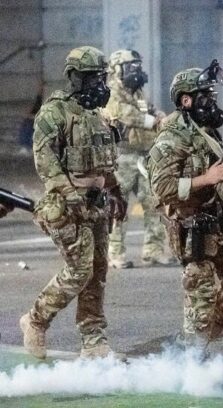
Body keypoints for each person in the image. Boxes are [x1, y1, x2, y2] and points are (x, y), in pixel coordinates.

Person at [20, 46, 127, 359]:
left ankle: (93, 341)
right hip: (67, 207)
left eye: (101, 77)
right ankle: (35, 320)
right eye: (91, 77)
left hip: (97, 206)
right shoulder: (54, 113)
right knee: (79, 270)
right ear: (75, 77)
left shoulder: (96, 116)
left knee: (97, 272)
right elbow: (46, 163)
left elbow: (103, 163)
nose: (98, 84)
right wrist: (71, 197)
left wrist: (116, 191)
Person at [146, 61, 223, 345]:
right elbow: (161, 187)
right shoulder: (172, 138)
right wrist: (205, 179)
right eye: (205, 96)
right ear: (186, 100)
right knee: (201, 299)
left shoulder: (206, 132)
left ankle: (198, 342)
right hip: (193, 229)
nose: (212, 102)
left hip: (220, 223)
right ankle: (194, 354)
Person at [104, 49, 173, 269]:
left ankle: (154, 251)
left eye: (137, 66)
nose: (136, 71)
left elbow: (148, 110)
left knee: (154, 202)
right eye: (130, 67)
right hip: (122, 157)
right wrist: (154, 122)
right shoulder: (111, 93)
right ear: (117, 70)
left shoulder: (138, 92)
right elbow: (126, 115)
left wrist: (158, 115)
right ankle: (115, 254)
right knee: (118, 206)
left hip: (144, 156)